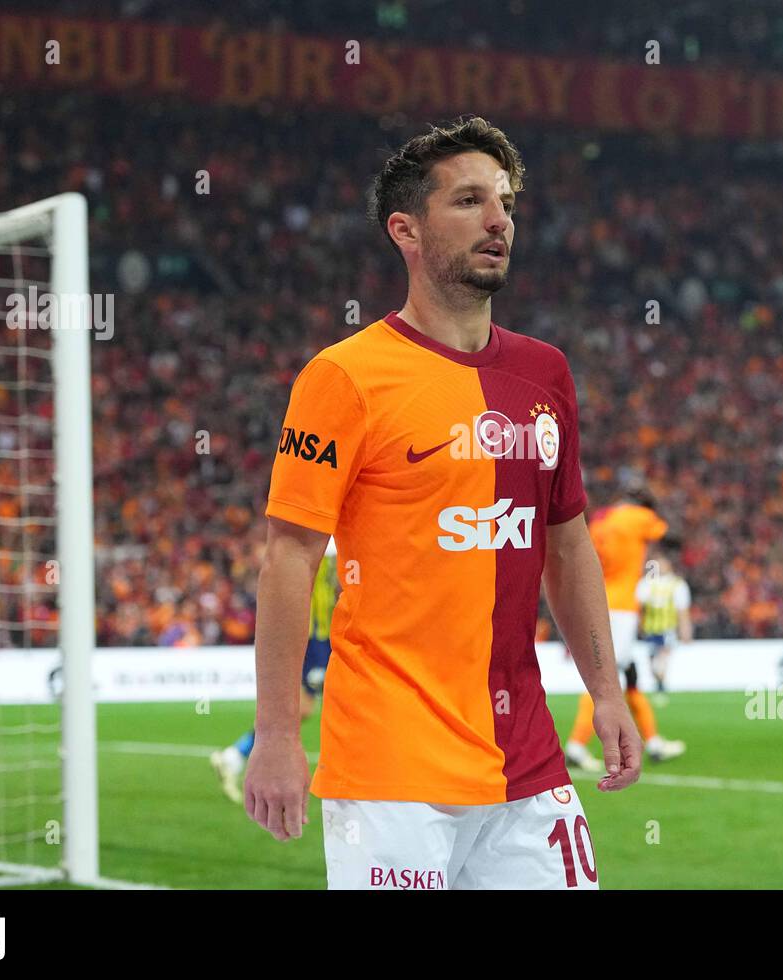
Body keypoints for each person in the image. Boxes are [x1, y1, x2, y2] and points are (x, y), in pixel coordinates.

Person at [244, 116, 640, 890]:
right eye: (468, 201)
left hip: (525, 758)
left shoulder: (545, 374)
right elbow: (290, 557)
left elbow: (568, 544)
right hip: (391, 762)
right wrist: (278, 736)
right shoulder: (344, 377)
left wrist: (607, 693)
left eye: (507, 202)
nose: (499, 220)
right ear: (407, 230)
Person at [211, 539, 338, 804]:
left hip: (319, 634)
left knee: (306, 706)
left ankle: (234, 756)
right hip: (315, 635)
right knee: (309, 705)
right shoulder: (325, 542)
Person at [564, 493, 686, 768]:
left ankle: (653, 742)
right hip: (622, 606)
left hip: (598, 598)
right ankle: (576, 743)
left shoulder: (599, 519)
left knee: (629, 674)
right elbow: (672, 537)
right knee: (607, 679)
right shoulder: (638, 516)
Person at [635, 543, 693, 706]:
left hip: (668, 629)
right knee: (652, 661)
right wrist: (638, 626)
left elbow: (682, 611)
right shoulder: (646, 584)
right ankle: (658, 684)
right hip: (650, 630)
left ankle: (661, 687)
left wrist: (685, 631)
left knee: (662, 659)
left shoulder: (677, 585)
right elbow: (640, 608)